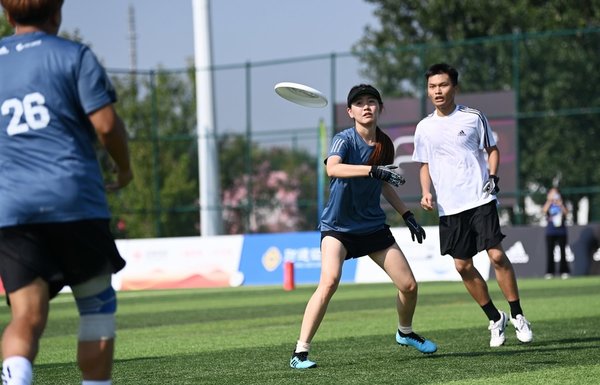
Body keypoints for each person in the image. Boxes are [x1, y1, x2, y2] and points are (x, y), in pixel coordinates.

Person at [0, 1, 133, 384]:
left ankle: (17, 377)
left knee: (25, 316)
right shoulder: (73, 56)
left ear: (8, 16)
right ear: (57, 12)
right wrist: (124, 170)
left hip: (13, 208)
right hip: (74, 200)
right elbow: (106, 125)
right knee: (96, 307)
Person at [289, 84, 436, 370]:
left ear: (380, 108)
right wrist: (371, 169)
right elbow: (333, 168)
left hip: (372, 228)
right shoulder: (343, 140)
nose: (366, 107)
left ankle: (404, 332)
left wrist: (406, 214)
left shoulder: (385, 144)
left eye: (372, 102)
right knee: (329, 282)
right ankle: (300, 352)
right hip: (338, 228)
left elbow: (383, 183)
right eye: (359, 104)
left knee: (409, 285)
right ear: (350, 112)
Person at [412, 63, 533, 347]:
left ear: (455, 87)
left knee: (497, 256)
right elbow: (424, 165)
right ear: (428, 91)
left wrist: (492, 177)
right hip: (450, 208)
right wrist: (426, 192)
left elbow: (492, 149)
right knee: (462, 266)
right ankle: (495, 318)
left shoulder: (473, 117)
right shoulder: (424, 127)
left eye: (442, 85)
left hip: (480, 198)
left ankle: (517, 315)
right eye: (432, 86)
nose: (437, 91)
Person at [542, 187, 570, 279]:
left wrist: (560, 204)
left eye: (556, 193)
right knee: (550, 252)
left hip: (561, 231)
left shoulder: (561, 202)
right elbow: (544, 211)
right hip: (551, 231)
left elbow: (566, 213)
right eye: (552, 193)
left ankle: (564, 271)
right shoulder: (549, 203)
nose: (554, 195)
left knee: (563, 252)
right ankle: (550, 272)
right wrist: (549, 201)